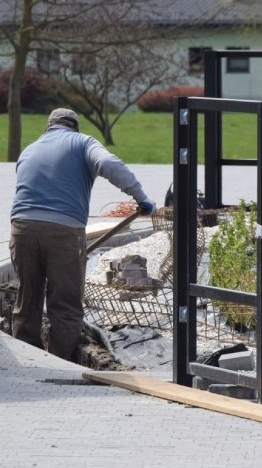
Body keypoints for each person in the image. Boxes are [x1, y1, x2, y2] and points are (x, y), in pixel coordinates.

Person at [9, 108, 155, 361]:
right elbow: (108, 163)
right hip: (63, 231)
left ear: (49, 127)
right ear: (74, 127)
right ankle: (60, 364)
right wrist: (141, 197)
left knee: (27, 299)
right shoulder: (83, 142)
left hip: (22, 228)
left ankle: (27, 360)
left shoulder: (30, 149)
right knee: (65, 304)